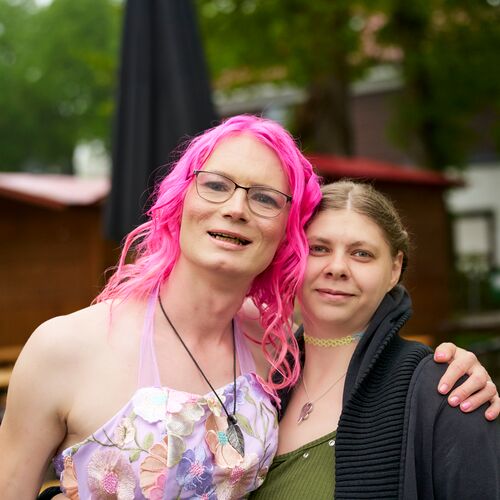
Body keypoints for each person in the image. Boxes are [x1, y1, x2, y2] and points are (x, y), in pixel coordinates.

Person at [0, 116, 497, 500]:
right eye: (216, 184)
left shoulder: (273, 349)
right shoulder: (64, 348)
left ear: (285, 234)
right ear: (179, 198)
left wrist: (452, 368)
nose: (236, 208)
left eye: (264, 198)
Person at [249, 181, 499, 500]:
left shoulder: (447, 391)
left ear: (394, 269)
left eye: (361, 254)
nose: (337, 268)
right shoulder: (257, 380)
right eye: (319, 248)